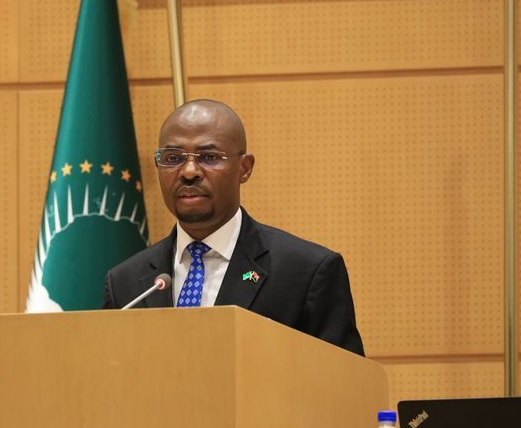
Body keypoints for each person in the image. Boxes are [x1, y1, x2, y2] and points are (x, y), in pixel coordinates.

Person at [102, 99, 365, 356]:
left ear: (244, 168)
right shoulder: (125, 283)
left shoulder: (307, 272)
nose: (189, 171)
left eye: (209, 157)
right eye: (173, 158)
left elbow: (342, 381)